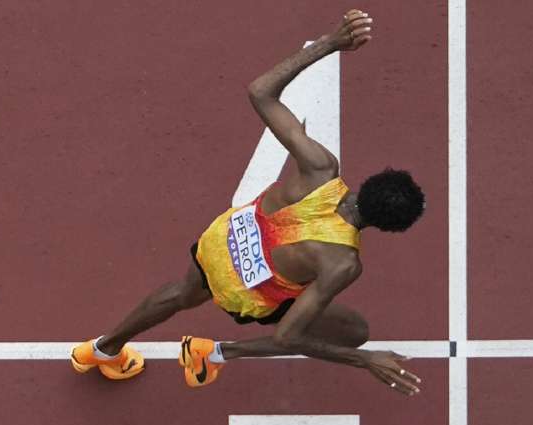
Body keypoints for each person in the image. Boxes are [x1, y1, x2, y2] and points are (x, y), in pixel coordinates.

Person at [70, 9, 424, 396]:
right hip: (245, 292)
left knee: (183, 293)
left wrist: (331, 42)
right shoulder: (342, 263)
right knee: (355, 332)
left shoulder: (321, 169)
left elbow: (261, 91)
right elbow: (289, 338)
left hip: (220, 244)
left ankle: (102, 349)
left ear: (371, 181)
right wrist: (365, 359)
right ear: (390, 229)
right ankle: (215, 354)